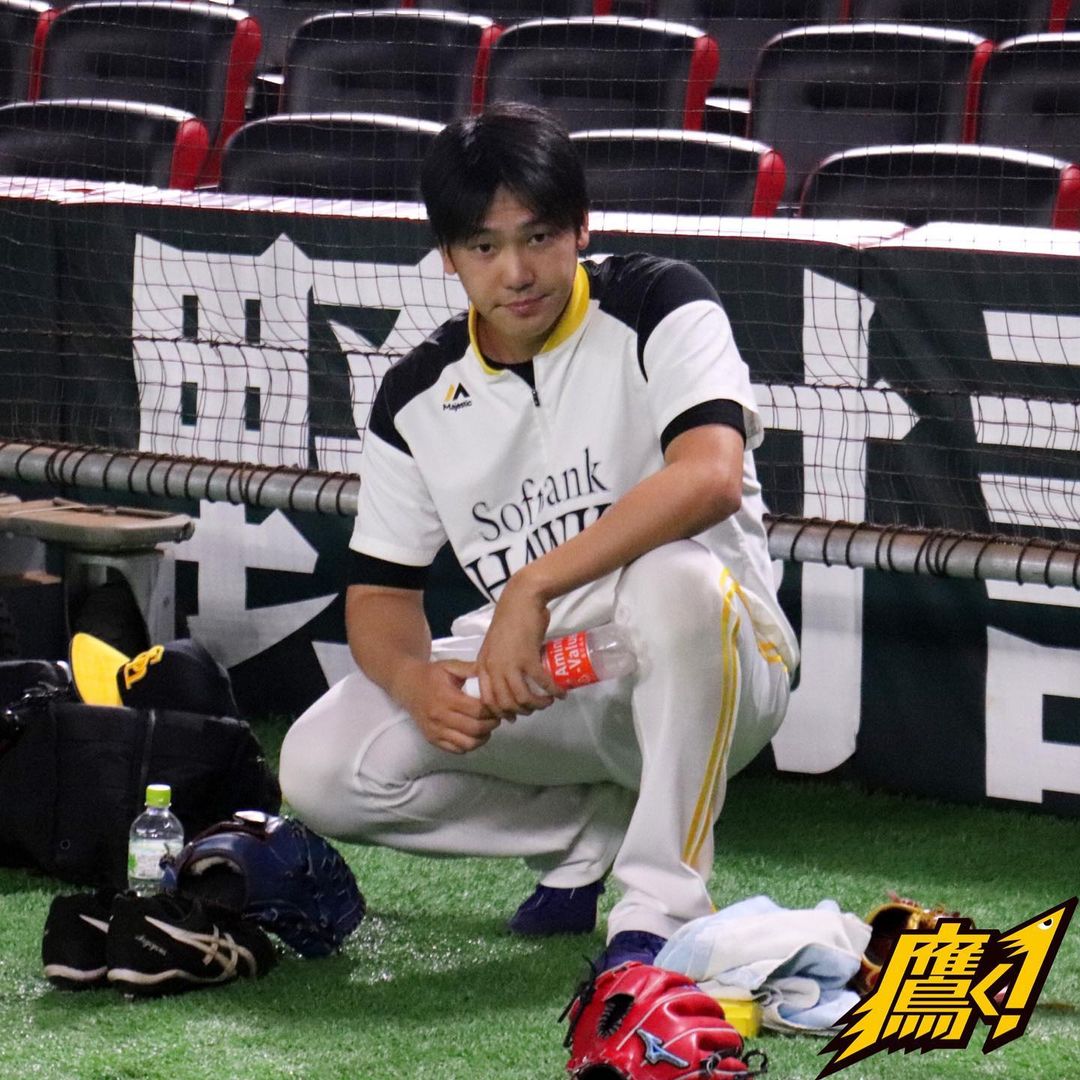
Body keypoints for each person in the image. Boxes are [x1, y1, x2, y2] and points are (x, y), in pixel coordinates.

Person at [279, 101, 799, 971]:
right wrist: (413, 680)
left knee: (676, 579)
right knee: (322, 766)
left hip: (720, 657)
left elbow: (709, 475)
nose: (516, 272)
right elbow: (378, 593)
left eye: (539, 237)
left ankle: (658, 906)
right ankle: (588, 830)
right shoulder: (415, 395)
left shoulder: (660, 300)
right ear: (448, 256)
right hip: (550, 676)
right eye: (484, 247)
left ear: (580, 228)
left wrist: (531, 586)